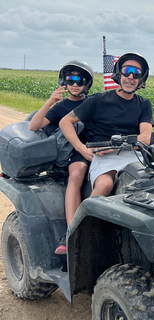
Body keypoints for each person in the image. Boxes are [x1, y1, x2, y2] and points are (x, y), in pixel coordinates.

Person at [60, 52, 154, 200]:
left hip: (134, 156)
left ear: (141, 79)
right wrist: (80, 147)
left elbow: (145, 138)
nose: (130, 76)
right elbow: (65, 122)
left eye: (136, 73)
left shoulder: (144, 104)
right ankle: (84, 221)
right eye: (126, 71)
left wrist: (117, 145)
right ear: (119, 73)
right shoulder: (99, 100)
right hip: (105, 156)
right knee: (104, 184)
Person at [29, 60, 94, 255]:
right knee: (76, 174)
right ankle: (71, 232)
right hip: (73, 152)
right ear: (64, 82)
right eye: (71, 79)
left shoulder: (93, 103)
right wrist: (51, 101)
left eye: (80, 80)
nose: (75, 84)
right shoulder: (61, 107)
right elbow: (34, 126)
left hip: (97, 148)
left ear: (87, 83)